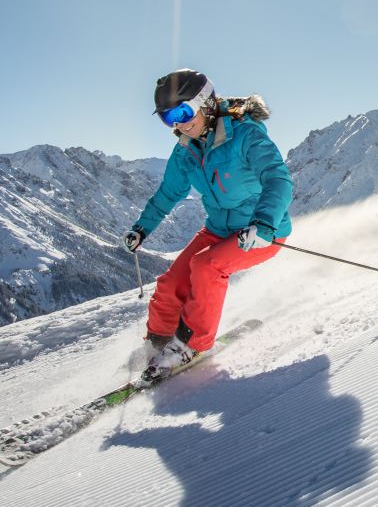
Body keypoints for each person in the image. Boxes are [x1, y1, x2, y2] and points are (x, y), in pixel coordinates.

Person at [123, 68, 293, 379]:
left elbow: (278, 178)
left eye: (183, 111)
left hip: (260, 231)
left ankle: (192, 345)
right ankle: (158, 343)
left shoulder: (245, 135)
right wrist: (141, 228)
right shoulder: (186, 149)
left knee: (206, 267)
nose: (178, 123)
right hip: (218, 230)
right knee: (171, 282)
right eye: (167, 118)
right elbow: (168, 193)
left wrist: (265, 224)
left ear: (206, 103)